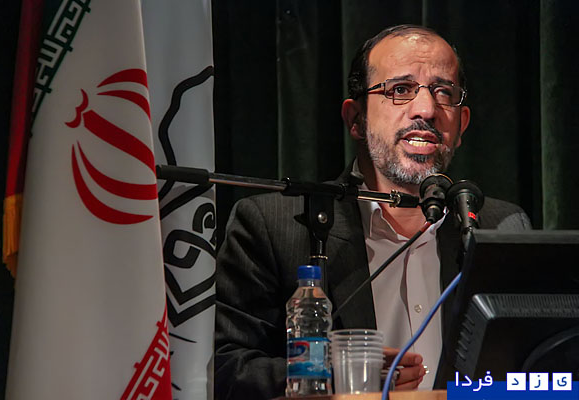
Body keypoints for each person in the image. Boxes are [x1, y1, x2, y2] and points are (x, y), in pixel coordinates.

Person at [214, 24, 531, 400]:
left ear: (460, 124)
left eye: (443, 92)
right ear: (356, 119)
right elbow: (226, 370)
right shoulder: (275, 226)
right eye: (401, 90)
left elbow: (536, 367)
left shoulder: (501, 227)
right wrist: (342, 376)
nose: (427, 110)